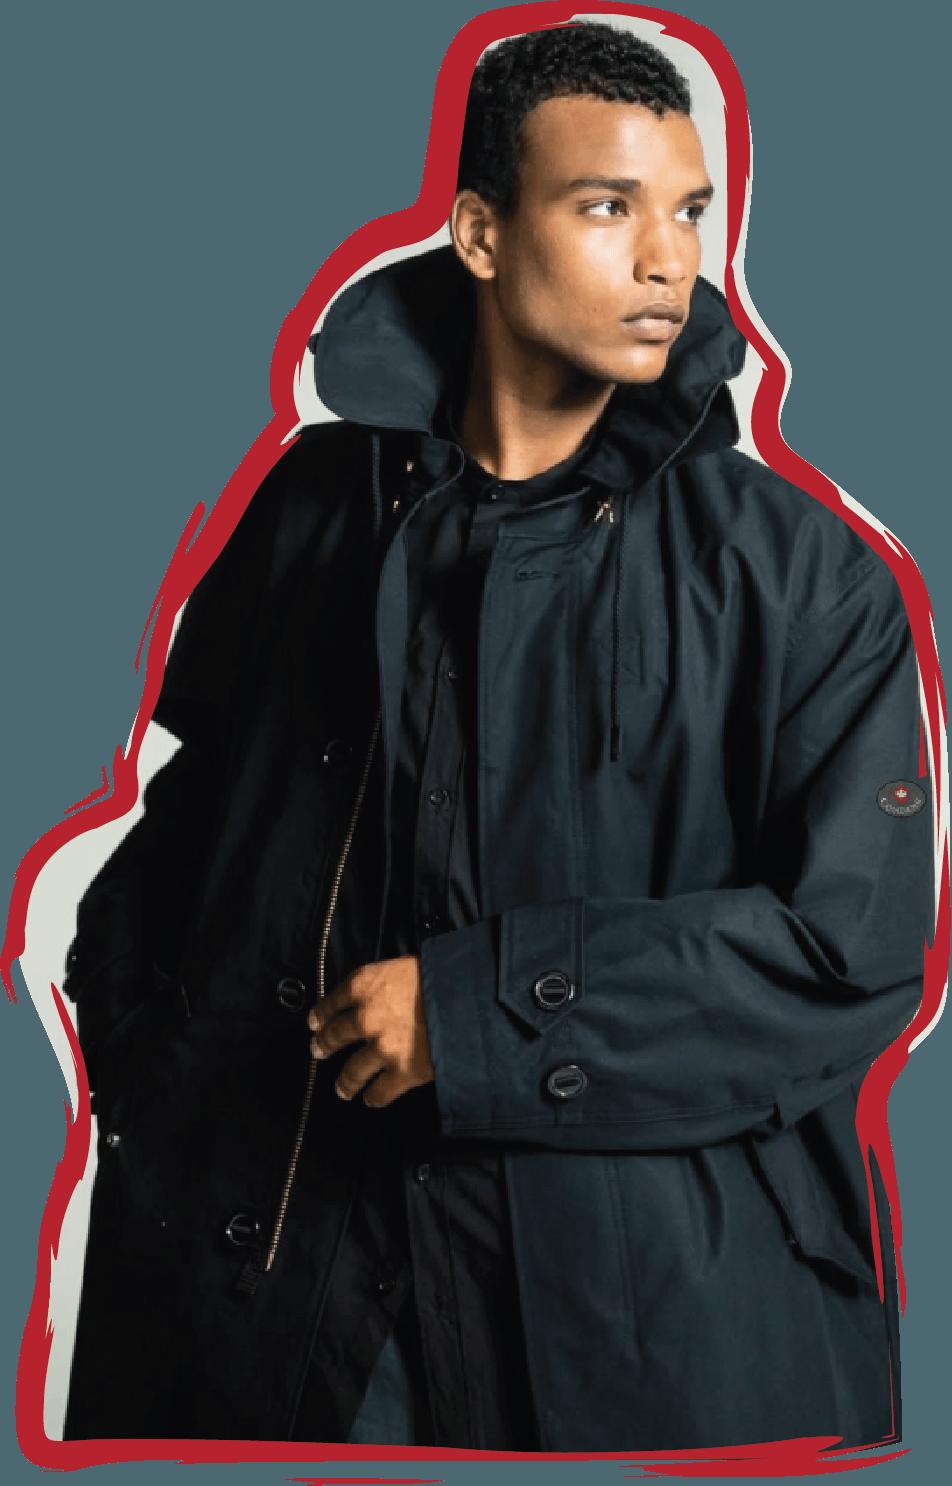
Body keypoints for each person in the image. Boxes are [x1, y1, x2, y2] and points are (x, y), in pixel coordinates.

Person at [61, 19, 933, 1453]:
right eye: (608, 206)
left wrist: (477, 1016)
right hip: (289, 1305)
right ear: (480, 232)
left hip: (642, 1329)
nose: (668, 261)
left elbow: (846, 952)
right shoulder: (315, 510)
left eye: (689, 212)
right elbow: (185, 839)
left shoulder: (799, 579)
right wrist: (162, 1093)